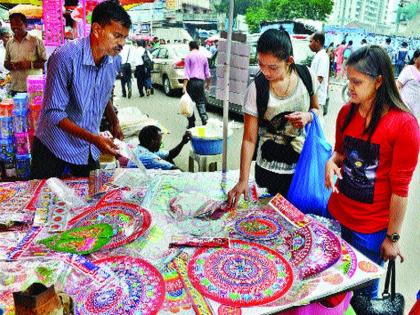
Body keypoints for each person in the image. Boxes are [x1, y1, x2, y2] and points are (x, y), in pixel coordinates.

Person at [325, 45, 419, 299]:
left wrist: (392, 237)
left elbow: (400, 190)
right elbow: (340, 153)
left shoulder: (404, 125)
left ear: (378, 81)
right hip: (336, 214)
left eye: (357, 81)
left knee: (364, 295)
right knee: (331, 286)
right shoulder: (346, 113)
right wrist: (330, 162)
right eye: (349, 80)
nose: (350, 87)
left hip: (370, 231)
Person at [30, 1, 131, 179]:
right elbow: (54, 112)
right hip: (54, 143)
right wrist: (94, 138)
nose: (121, 43)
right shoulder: (65, 57)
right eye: (116, 35)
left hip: (87, 147)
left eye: (124, 37)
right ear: (97, 29)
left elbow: (101, 92)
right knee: (44, 199)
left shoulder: (114, 60)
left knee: (91, 199)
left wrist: (114, 121)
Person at [227, 29, 320, 208]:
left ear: (289, 61)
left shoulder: (307, 77)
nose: (266, 72)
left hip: (301, 170)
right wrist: (243, 179)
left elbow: (317, 110)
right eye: (261, 64)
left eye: (273, 67)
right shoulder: (257, 88)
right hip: (267, 172)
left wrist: (308, 116)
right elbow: (249, 139)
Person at [4, 13, 47, 95]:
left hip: (34, 88)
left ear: (26, 25)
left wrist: (30, 64)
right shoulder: (9, 43)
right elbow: (6, 63)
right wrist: (11, 65)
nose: (15, 27)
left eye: (18, 23)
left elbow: (46, 63)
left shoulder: (36, 41)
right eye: (12, 24)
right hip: (15, 88)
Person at [183, 40, 211, 128]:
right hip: (200, 82)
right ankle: (204, 119)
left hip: (191, 82)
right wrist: (207, 84)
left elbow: (187, 73)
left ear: (190, 47)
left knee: (189, 103)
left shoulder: (188, 56)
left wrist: (184, 86)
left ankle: (191, 123)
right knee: (201, 102)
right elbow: (208, 73)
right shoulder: (203, 56)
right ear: (198, 46)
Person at [309, 32, 330, 116]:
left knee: (317, 123)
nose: (309, 44)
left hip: (318, 98)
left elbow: (319, 79)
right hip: (314, 97)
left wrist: (309, 92)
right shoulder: (318, 55)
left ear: (317, 42)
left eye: (311, 41)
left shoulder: (323, 57)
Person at [397, 49, 420, 117]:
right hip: (405, 104)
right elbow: (398, 85)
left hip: (417, 106)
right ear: (415, 59)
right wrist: (397, 102)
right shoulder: (408, 69)